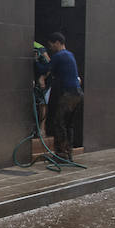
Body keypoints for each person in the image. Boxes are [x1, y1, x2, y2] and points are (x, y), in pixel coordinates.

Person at [43, 31, 83, 160]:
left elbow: (47, 69)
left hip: (69, 95)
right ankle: (68, 154)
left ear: (58, 43)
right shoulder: (70, 54)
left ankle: (61, 154)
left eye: (52, 45)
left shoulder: (59, 55)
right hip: (78, 94)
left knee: (59, 122)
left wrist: (41, 77)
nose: (51, 48)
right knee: (68, 124)